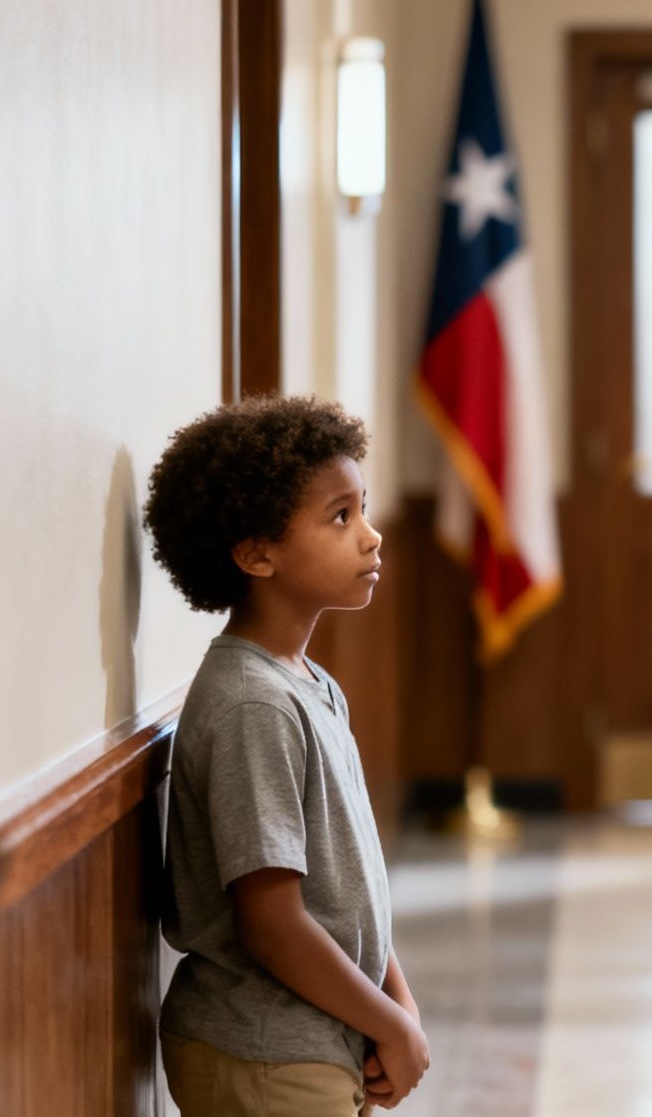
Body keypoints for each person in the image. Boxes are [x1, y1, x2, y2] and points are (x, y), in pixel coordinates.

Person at [145, 395, 428, 1114]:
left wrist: (396, 1002)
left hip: (321, 1037)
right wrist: (387, 1021)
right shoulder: (252, 705)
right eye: (341, 517)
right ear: (255, 553)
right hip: (265, 1054)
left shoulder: (310, 685)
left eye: (363, 508)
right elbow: (272, 921)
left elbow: (350, 881)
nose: (371, 537)